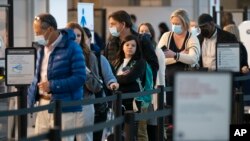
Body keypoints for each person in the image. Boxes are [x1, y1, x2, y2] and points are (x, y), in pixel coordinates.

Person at [28, 13, 86, 141]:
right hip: (42, 104)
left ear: (49, 30)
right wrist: (31, 98)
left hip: (64, 106)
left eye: (38, 32)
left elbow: (80, 77)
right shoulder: (41, 49)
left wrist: (53, 85)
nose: (36, 36)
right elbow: (37, 76)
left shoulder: (72, 48)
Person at [66, 22, 102, 141]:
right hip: (65, 103)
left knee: (84, 138)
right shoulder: (58, 55)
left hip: (85, 103)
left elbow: (97, 86)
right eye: (73, 35)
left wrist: (84, 72)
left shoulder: (89, 56)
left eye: (79, 35)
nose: (75, 38)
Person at [105, 10, 159, 85]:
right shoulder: (111, 43)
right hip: (115, 88)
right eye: (110, 25)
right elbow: (107, 66)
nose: (110, 27)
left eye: (113, 24)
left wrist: (149, 86)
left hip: (137, 90)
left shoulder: (142, 40)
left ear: (123, 24)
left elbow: (153, 64)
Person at [158, 9, 200, 103]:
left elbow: (193, 59)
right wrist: (179, 56)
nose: (174, 26)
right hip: (167, 81)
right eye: (173, 23)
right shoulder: (166, 36)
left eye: (177, 23)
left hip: (186, 82)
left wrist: (172, 55)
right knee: (168, 111)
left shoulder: (192, 38)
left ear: (185, 23)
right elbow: (159, 59)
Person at [138, 22, 166, 141]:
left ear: (152, 34)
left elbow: (161, 73)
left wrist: (161, 95)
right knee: (142, 127)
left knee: (153, 125)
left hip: (154, 92)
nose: (144, 34)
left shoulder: (157, 50)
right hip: (142, 93)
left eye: (147, 31)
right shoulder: (137, 49)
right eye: (141, 31)